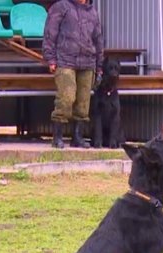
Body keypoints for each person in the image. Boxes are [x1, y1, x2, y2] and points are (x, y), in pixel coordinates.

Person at [43, 0, 104, 149]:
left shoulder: (92, 12)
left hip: (88, 62)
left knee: (83, 103)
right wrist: (50, 58)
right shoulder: (61, 7)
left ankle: (77, 137)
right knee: (66, 97)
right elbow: (50, 33)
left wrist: (99, 65)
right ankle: (57, 137)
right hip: (65, 60)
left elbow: (98, 40)